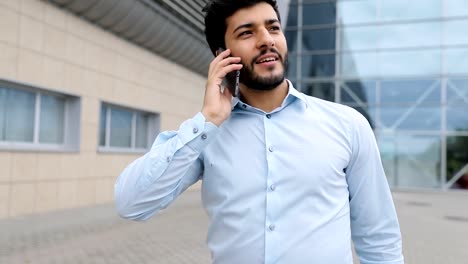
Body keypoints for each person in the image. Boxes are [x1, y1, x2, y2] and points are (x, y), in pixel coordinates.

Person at [114, 0, 404, 263]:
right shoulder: (206, 134)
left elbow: (378, 237)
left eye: (273, 28)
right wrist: (208, 120)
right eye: (247, 33)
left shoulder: (348, 124)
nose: (266, 40)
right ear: (222, 56)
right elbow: (131, 203)